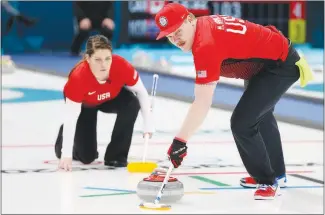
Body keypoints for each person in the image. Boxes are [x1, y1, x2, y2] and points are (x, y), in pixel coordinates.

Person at [154, 3, 313, 200]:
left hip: (280, 64)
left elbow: (202, 102)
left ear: (190, 19)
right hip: (264, 62)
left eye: (177, 31)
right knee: (259, 116)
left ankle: (267, 180)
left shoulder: (205, 44)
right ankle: (278, 175)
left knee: (242, 123)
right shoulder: (202, 28)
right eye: (170, 36)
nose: (175, 39)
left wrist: (180, 142)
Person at [55, 34, 154, 171]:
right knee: (87, 157)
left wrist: (148, 123)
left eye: (108, 59)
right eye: (98, 60)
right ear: (87, 58)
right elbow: (71, 118)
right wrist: (65, 155)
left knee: (132, 102)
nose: (104, 65)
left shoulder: (121, 66)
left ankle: (115, 156)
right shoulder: (78, 79)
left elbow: (141, 92)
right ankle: (62, 139)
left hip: (110, 98)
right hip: (85, 105)